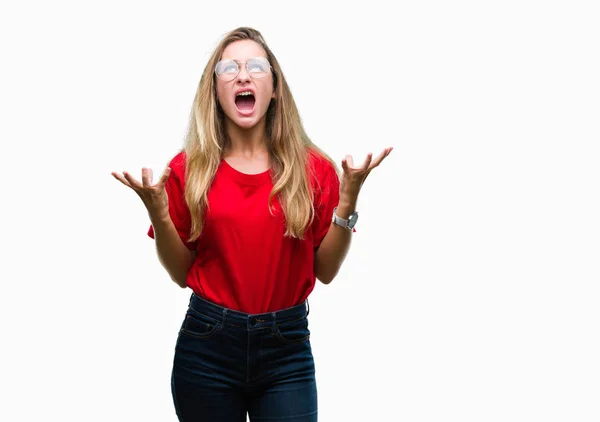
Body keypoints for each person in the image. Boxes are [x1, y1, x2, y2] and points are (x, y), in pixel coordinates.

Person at [112, 26, 392, 422]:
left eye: (256, 66)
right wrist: (158, 214)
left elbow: (325, 271)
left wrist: (347, 200)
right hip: (207, 348)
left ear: (274, 88)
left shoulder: (313, 169)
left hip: (287, 351)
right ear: (215, 90)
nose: (243, 75)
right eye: (230, 68)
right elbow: (179, 273)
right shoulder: (187, 169)